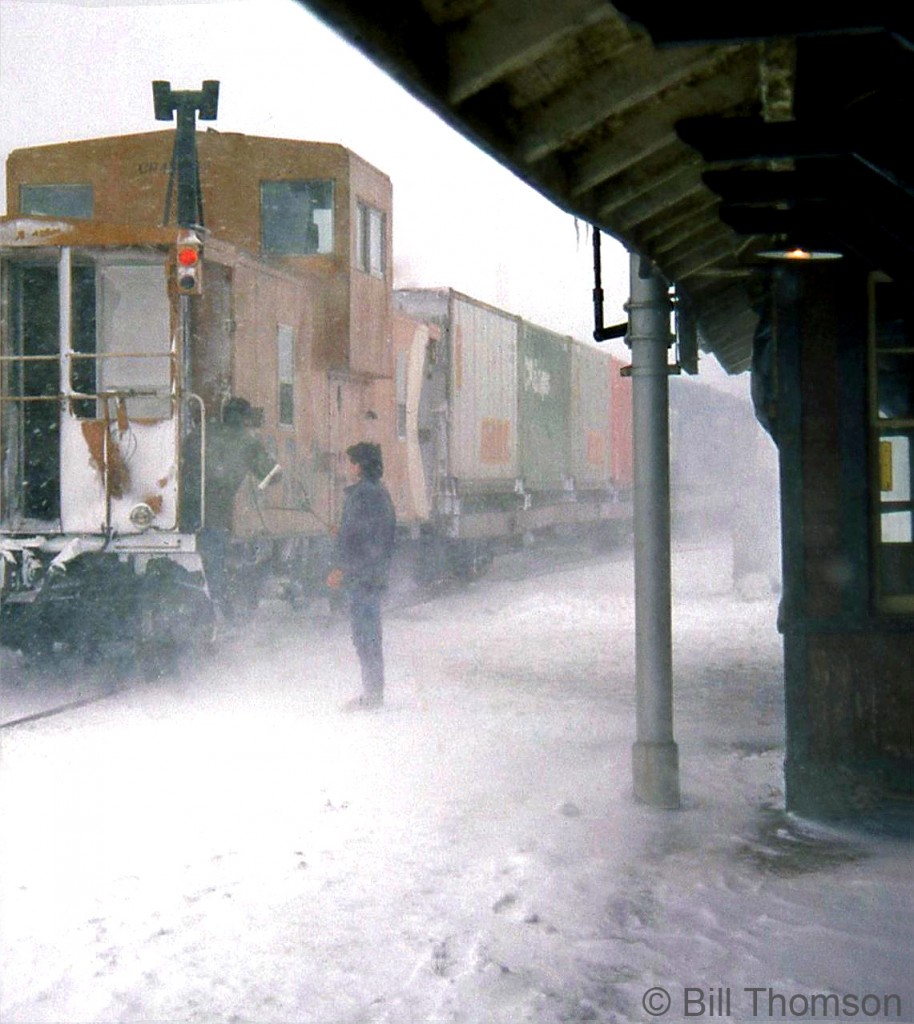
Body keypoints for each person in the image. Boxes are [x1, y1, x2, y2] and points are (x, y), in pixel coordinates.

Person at [182, 397, 281, 619]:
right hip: (216, 513)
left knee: (192, 557)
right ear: (246, 418)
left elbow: (183, 457)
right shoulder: (248, 441)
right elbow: (272, 476)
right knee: (213, 562)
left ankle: (193, 603)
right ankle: (217, 610)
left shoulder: (201, 433)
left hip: (185, 510)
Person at [327, 442, 396, 709]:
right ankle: (373, 693)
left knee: (364, 636)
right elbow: (378, 534)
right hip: (374, 573)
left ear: (359, 465)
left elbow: (354, 538)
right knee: (370, 636)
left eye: (352, 462)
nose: (349, 467)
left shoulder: (360, 496)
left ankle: (372, 697)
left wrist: (340, 569)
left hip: (361, 576)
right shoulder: (381, 493)